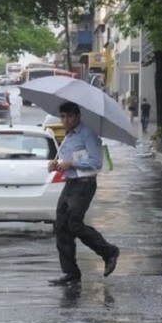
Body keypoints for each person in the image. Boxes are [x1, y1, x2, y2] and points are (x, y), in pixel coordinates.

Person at [47, 101, 120, 286]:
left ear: (78, 116)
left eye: (69, 116)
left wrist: (71, 163)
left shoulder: (87, 134)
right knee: (62, 226)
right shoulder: (68, 136)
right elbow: (68, 160)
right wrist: (57, 165)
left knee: (74, 223)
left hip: (84, 185)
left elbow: (96, 162)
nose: (65, 120)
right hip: (70, 183)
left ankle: (108, 251)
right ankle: (71, 272)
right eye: (63, 116)